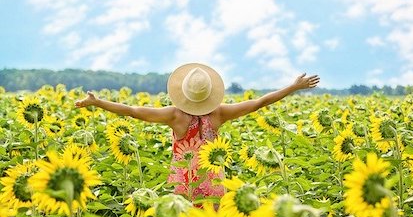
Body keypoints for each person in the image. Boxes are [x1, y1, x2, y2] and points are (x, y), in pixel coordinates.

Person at [75, 63, 319, 202]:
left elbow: (132, 110)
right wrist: (293, 87)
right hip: (214, 185)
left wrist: (98, 102)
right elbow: (259, 102)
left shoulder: (175, 116)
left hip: (186, 187)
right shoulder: (219, 113)